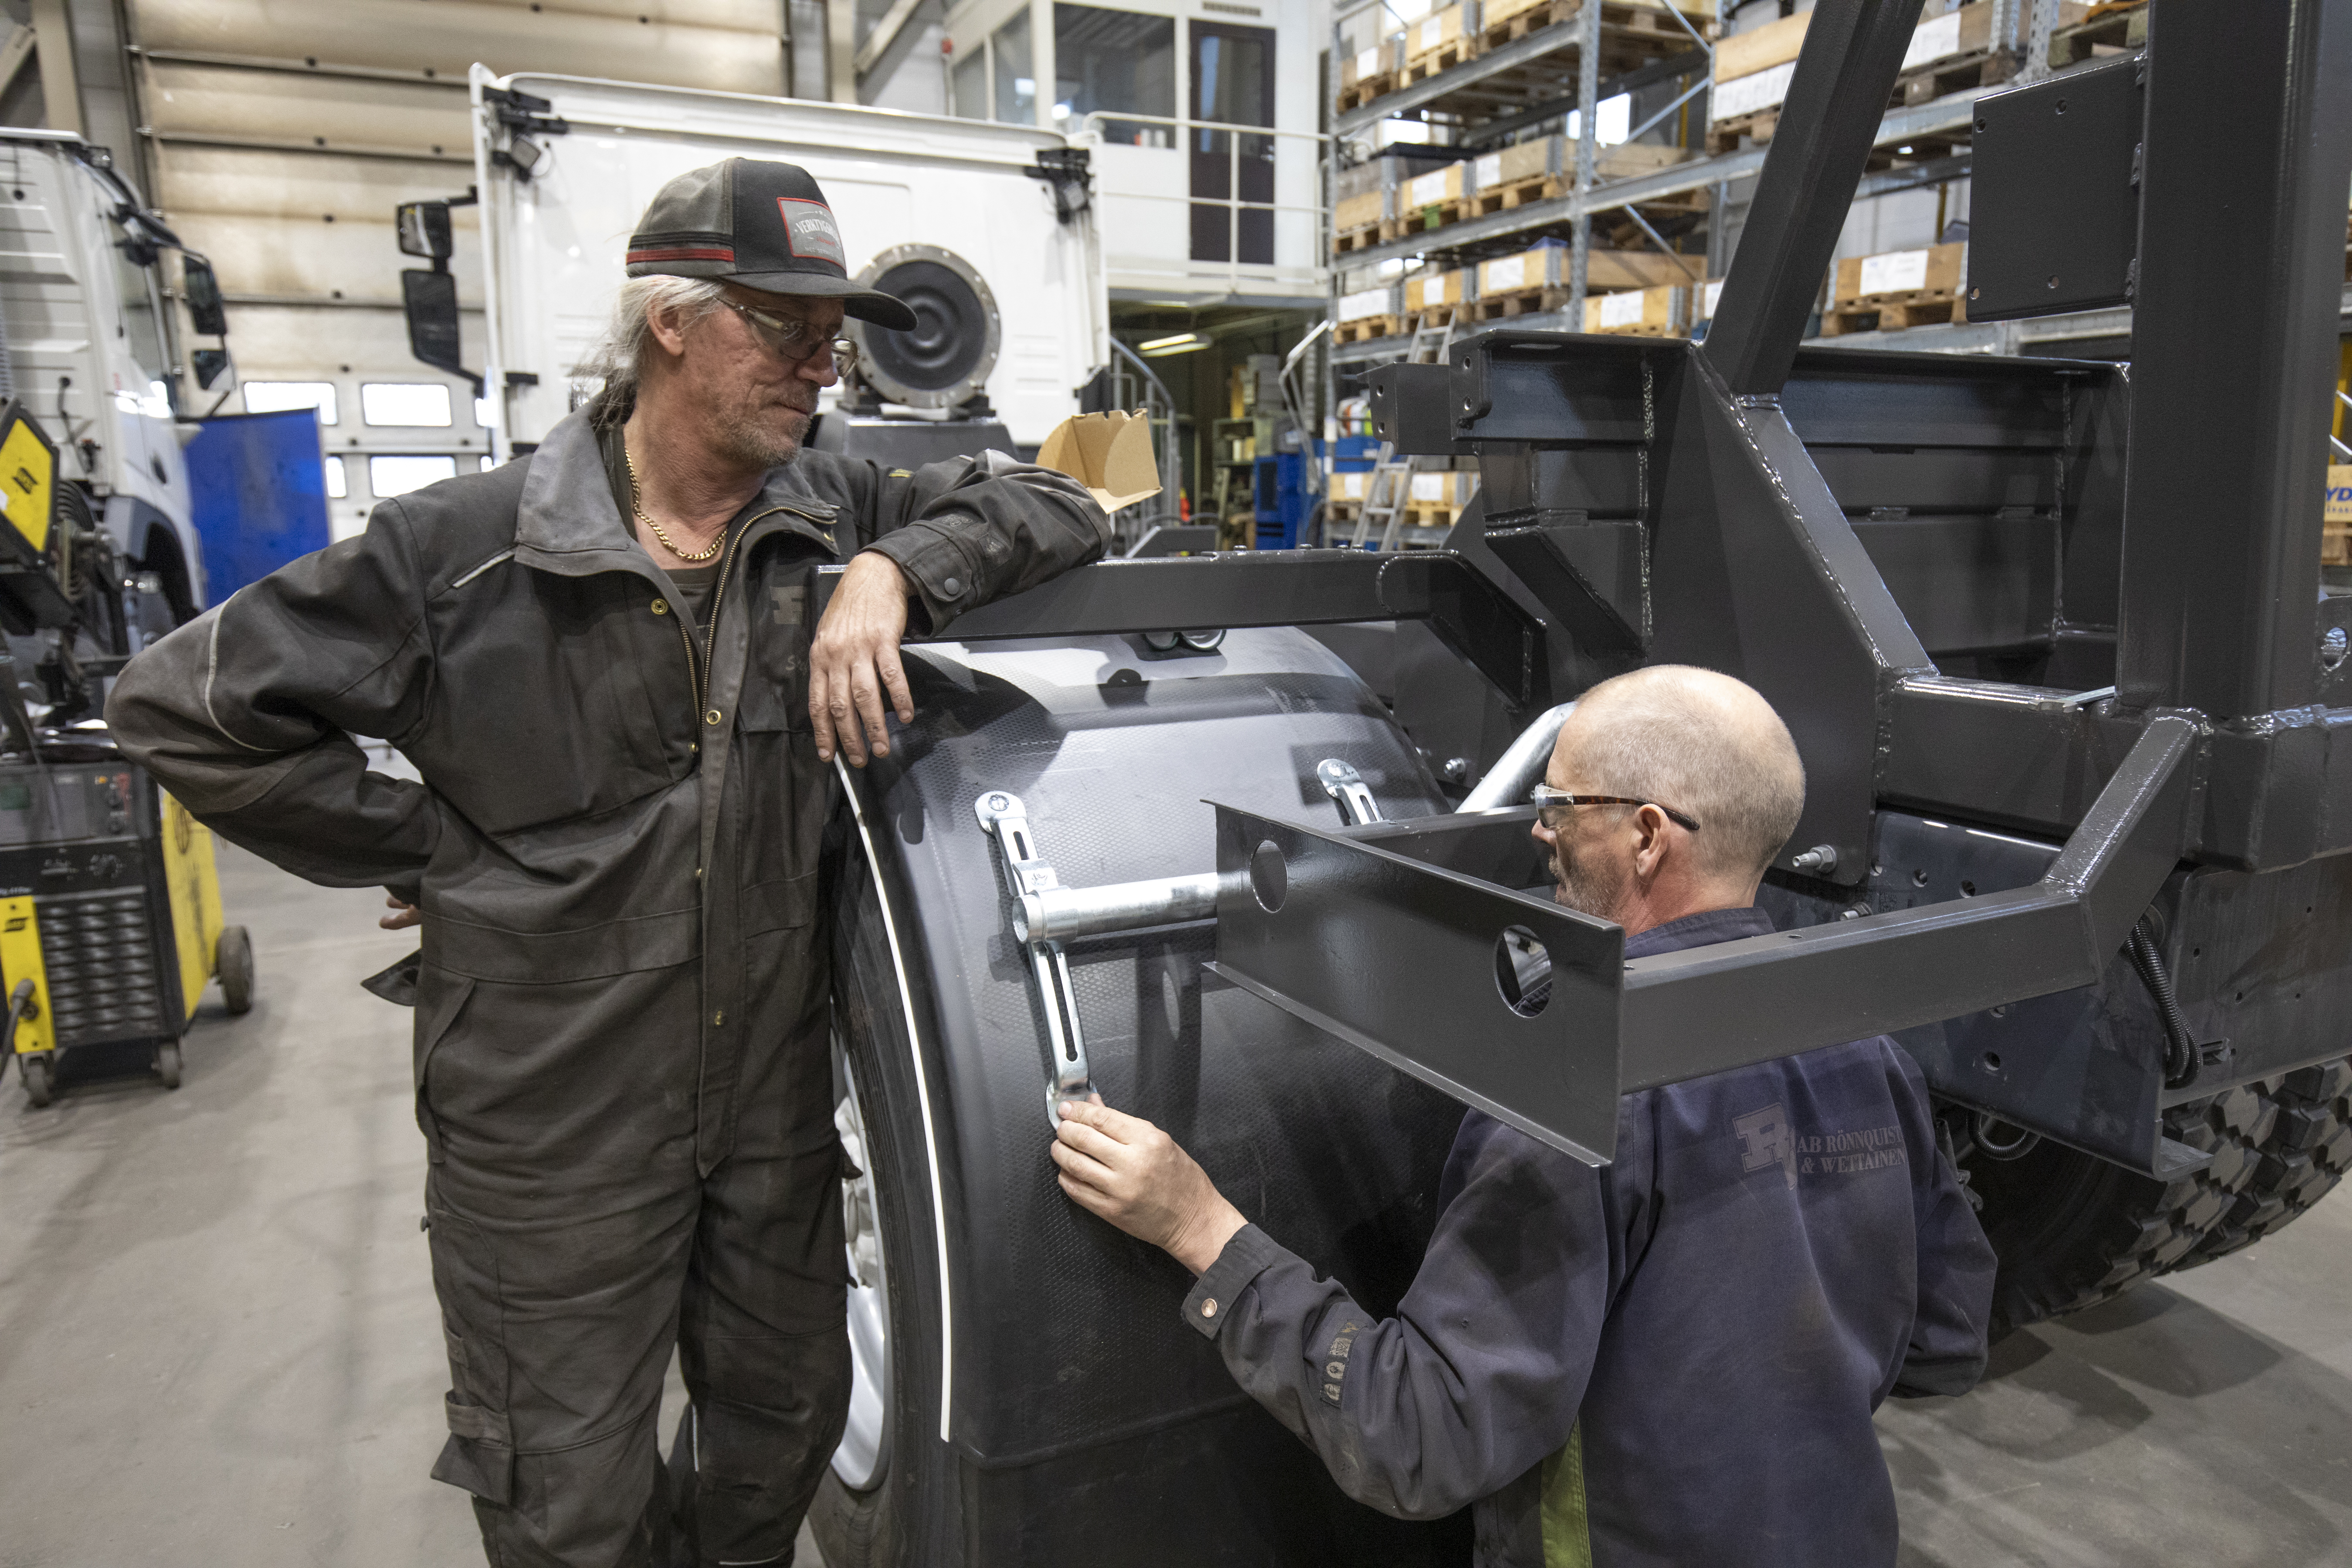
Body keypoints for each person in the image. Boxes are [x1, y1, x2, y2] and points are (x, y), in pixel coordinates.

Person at [107, 158, 1112, 1566]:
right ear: (672, 325)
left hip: (764, 1117)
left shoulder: (825, 512)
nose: (826, 363)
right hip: (549, 1136)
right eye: (788, 327)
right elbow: (175, 707)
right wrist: (433, 846)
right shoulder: (465, 555)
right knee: (568, 1505)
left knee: (784, 1434)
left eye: (838, 333)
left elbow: (1064, 506)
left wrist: (897, 572)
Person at [1050, 665, 1997, 1568]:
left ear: (1647, 837)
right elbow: (1948, 1336)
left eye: (1560, 806)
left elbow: (1421, 1438)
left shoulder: (1577, 1097)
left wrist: (1202, 1229)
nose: (1539, 832)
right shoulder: (1868, 1051)